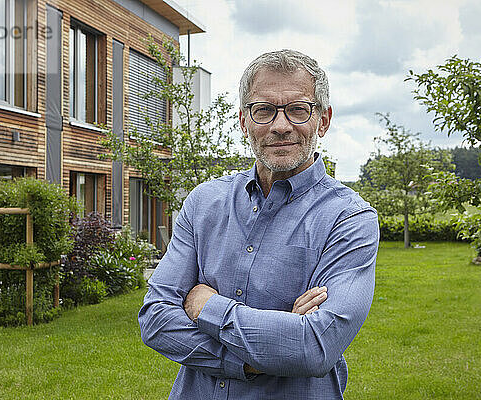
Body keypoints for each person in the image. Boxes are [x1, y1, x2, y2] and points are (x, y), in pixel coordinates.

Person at [138, 49, 379, 399]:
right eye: (264, 110)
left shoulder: (349, 218)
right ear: (243, 121)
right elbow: (156, 321)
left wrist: (206, 307)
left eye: (298, 109)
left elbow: (314, 346)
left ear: (323, 120)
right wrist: (256, 357)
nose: (281, 126)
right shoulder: (204, 203)